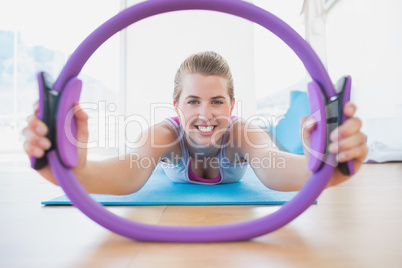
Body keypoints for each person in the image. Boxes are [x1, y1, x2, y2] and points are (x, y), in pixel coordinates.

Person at [22, 51, 368, 194]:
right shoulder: (164, 134)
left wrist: (327, 164)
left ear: (232, 105)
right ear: (176, 106)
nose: (205, 114)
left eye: (217, 101)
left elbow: (278, 170)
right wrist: (70, 169)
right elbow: (126, 174)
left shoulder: (241, 132)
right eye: (193, 102)